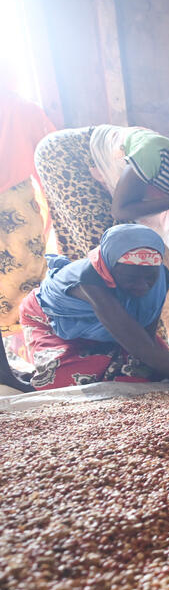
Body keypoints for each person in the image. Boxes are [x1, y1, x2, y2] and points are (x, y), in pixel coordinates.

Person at [34, 124, 169, 317]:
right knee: (103, 250)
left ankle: (133, 329)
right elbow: (121, 210)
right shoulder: (154, 153)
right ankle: (113, 328)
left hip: (101, 170)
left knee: (129, 253)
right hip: (68, 154)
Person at [17, 224, 169, 389]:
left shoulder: (161, 277)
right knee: (71, 381)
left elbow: (146, 342)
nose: (142, 286)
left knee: (145, 370)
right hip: (52, 324)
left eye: (149, 277)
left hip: (114, 325)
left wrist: (153, 358)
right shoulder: (90, 281)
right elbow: (147, 351)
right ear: (111, 267)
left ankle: (102, 355)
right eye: (131, 278)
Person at [0, 84, 57, 392]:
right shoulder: (23, 108)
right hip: (15, 206)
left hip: (16, 207)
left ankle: (6, 372)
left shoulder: (22, 108)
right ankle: (10, 373)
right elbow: (46, 157)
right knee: (29, 286)